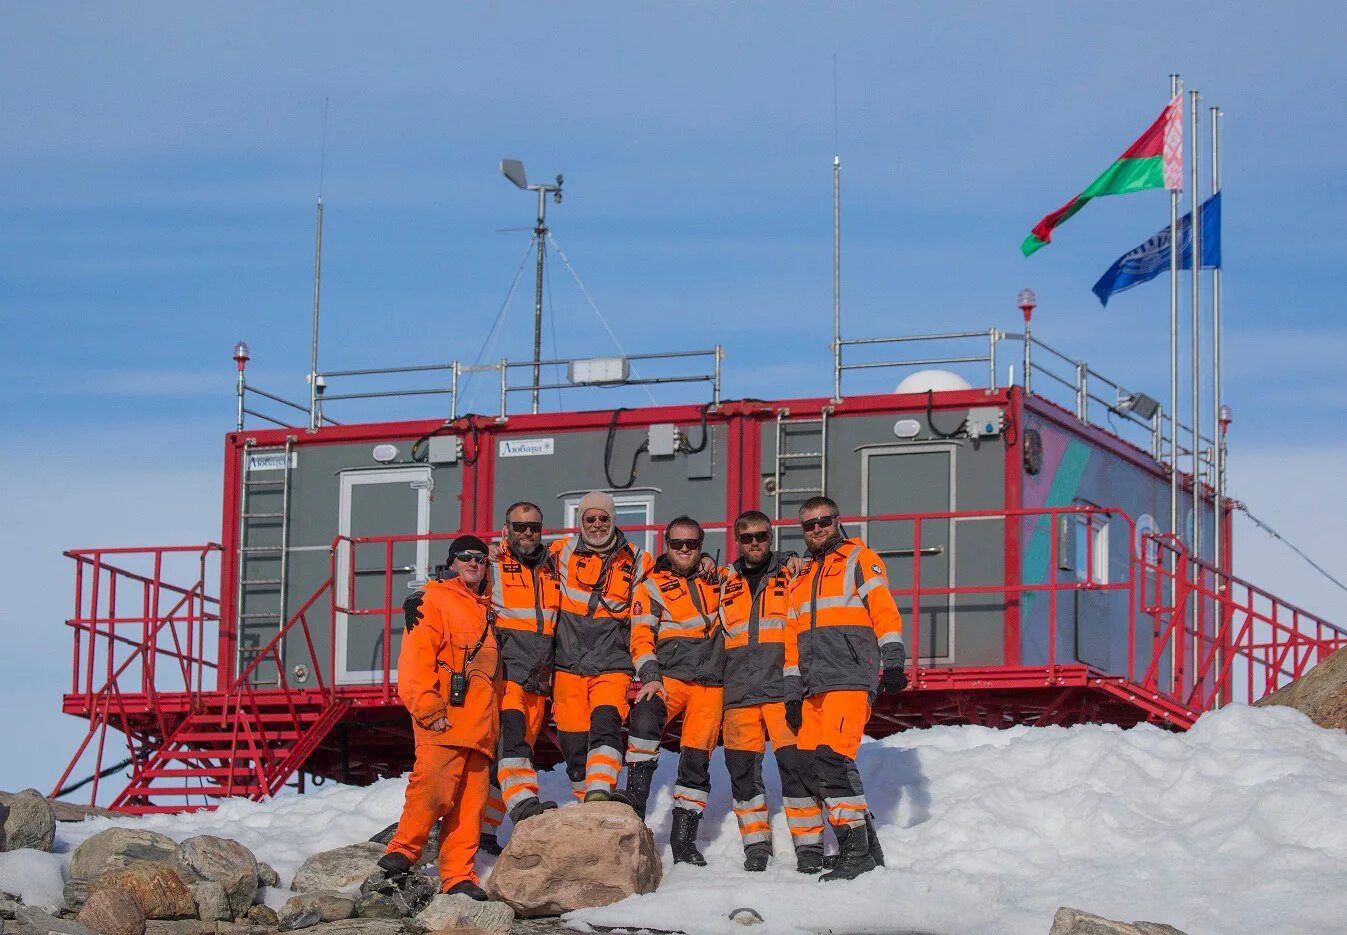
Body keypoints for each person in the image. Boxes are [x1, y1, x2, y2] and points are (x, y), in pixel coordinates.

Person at [783, 496, 907, 882]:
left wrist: (895, 660)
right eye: (808, 524)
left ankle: (855, 853)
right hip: (813, 685)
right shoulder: (801, 575)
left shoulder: (859, 558)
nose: (817, 528)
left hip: (851, 677)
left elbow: (884, 609)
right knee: (811, 767)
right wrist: (791, 691)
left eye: (823, 521)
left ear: (838, 521)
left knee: (834, 762)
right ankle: (868, 851)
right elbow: (792, 637)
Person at [379, 535, 501, 900]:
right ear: (452, 562)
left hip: (480, 728)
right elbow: (415, 660)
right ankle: (402, 850)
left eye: (479, 557)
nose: (473, 562)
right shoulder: (432, 600)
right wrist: (429, 709)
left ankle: (458, 877)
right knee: (431, 787)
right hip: (444, 719)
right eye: (465, 556)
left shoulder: (492, 608)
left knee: (470, 807)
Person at [718, 510, 823, 873]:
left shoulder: (792, 573)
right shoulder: (722, 580)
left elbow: (821, 564)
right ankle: (756, 845)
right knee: (743, 774)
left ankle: (809, 847)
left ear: (771, 537)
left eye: (761, 536)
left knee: (796, 768)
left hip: (782, 690)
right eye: (747, 537)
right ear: (737, 541)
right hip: (738, 694)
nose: (755, 543)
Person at [622, 516, 724, 865]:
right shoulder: (650, 586)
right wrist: (649, 675)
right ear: (666, 545)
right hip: (670, 677)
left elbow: (756, 572)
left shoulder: (720, 578)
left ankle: (683, 843)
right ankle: (635, 805)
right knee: (645, 716)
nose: (684, 549)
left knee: (697, 762)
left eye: (692, 544)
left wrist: (786, 559)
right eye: (677, 543)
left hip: (710, 683)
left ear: (701, 546)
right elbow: (640, 636)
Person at [550, 490, 653, 802]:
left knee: (606, 726)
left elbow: (672, 575)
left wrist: (701, 560)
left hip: (612, 664)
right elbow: (520, 564)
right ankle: (585, 799)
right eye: (589, 518)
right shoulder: (560, 552)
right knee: (572, 739)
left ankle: (600, 791)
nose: (597, 524)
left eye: (603, 518)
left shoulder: (638, 560)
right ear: (581, 522)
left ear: (613, 520)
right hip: (568, 665)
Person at [491, 501, 562, 824]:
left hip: (540, 674)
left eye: (534, 526)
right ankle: (522, 802)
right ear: (507, 529)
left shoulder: (553, 565)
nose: (527, 532)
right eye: (520, 526)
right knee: (513, 740)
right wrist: (417, 598)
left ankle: (486, 831)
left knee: (518, 749)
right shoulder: (492, 562)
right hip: (507, 670)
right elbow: (455, 582)